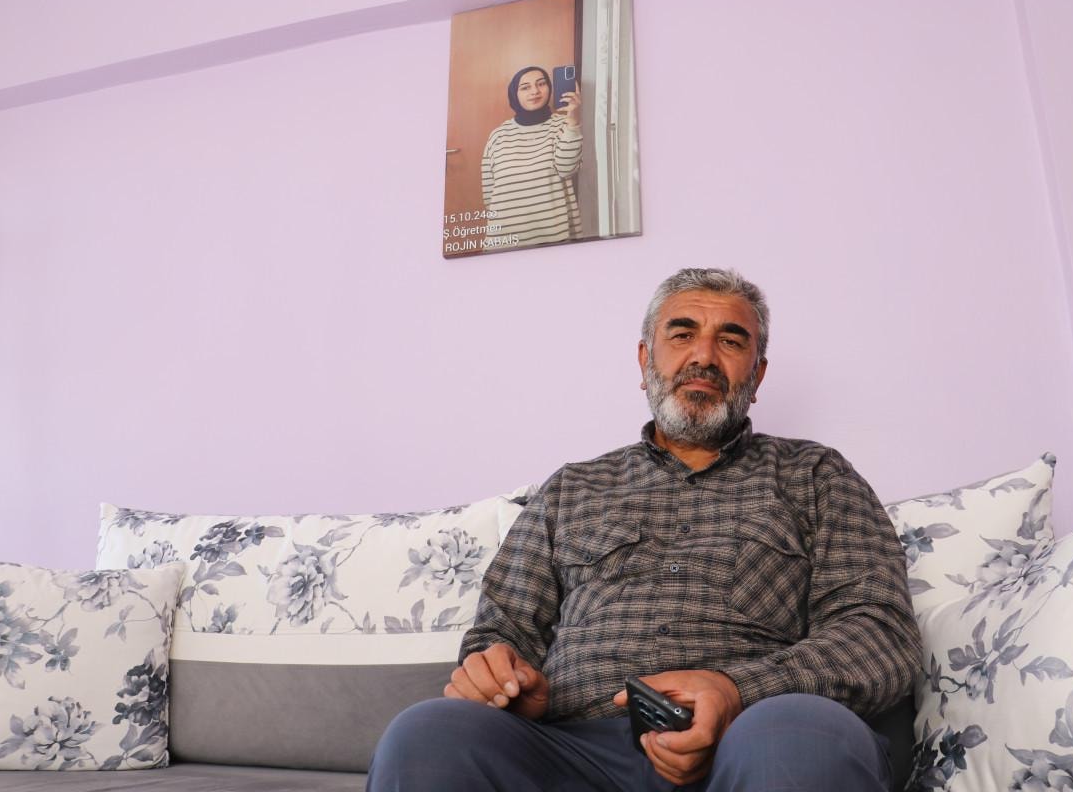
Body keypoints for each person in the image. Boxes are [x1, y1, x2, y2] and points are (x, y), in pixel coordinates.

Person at [367, 268, 922, 791]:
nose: (703, 356)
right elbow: (502, 631)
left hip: (755, 735)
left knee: (796, 740)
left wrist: (737, 691)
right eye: (682, 334)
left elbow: (879, 636)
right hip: (572, 750)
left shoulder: (817, 475)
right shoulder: (571, 489)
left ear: (757, 374)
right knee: (428, 734)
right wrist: (503, 678)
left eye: (731, 341)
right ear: (644, 360)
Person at [480, 66, 583, 251]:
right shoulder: (498, 135)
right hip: (505, 239)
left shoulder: (563, 125)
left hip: (553, 236)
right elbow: (489, 194)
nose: (535, 91)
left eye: (541, 84)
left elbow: (566, 168)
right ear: (515, 94)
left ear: (549, 88)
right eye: (525, 87)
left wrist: (573, 120)